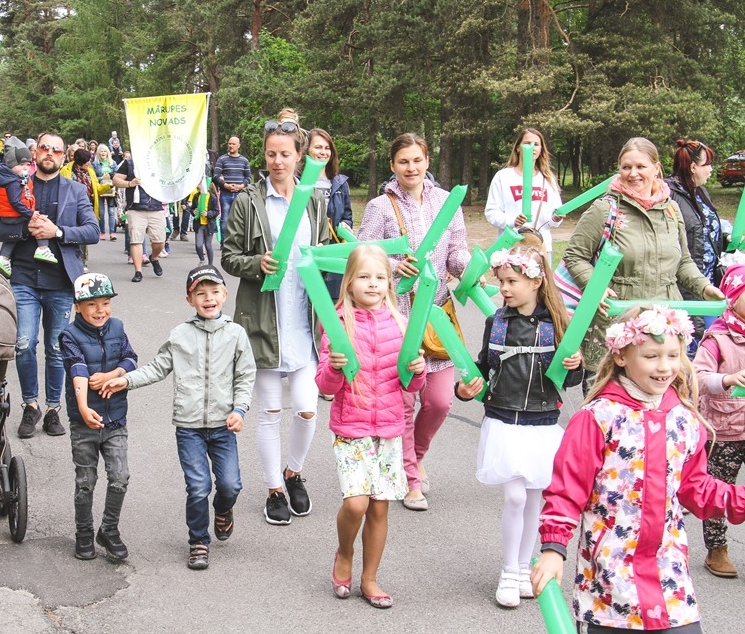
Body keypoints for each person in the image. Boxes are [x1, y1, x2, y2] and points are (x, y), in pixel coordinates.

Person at [531, 305, 745, 633]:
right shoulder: (597, 418)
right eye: (651, 356)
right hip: (609, 587)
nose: (664, 367)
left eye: (673, 356)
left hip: (670, 583)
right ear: (620, 357)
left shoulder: (684, 420)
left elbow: (696, 489)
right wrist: (553, 548)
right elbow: (566, 490)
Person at [101, 265, 256, 570]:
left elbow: (246, 375)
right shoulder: (180, 335)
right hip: (189, 427)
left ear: (225, 295)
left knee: (230, 485)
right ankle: (198, 541)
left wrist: (240, 409)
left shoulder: (236, 334)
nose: (208, 298)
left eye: (214, 292)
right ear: (190, 300)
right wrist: (126, 380)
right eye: (200, 293)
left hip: (224, 425)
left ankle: (223, 510)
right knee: (198, 486)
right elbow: (157, 367)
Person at [455, 244, 582, 608]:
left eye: (512, 281)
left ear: (536, 281)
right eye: (501, 281)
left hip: (542, 423)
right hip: (504, 420)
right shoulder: (496, 322)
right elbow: (483, 367)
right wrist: (465, 389)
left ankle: (526, 567)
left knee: (535, 499)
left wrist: (573, 365)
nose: (504, 289)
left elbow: (571, 381)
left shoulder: (558, 325)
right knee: (514, 495)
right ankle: (509, 570)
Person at [221, 111, 331, 525]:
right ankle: (273, 488)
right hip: (262, 323)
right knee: (267, 412)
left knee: (306, 409)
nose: (278, 161)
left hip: (303, 320)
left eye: (285, 154)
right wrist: (256, 262)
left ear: (299, 155)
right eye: (270, 154)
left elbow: (320, 251)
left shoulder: (314, 201)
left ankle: (294, 471)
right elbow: (229, 257)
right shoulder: (249, 200)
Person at [356, 132, 471, 510]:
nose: (411, 167)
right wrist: (392, 265)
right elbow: (364, 257)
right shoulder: (380, 207)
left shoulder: (446, 203)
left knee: (439, 402)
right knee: (403, 402)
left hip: (437, 314)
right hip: (396, 315)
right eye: (403, 161)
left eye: (417, 160)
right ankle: (409, 478)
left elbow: (456, 252)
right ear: (393, 165)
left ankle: (416, 457)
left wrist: (473, 270)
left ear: (427, 162)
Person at [317, 246, 427, 608]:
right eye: (364, 277)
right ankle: (344, 553)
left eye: (380, 277)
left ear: (390, 283)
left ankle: (370, 578)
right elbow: (325, 388)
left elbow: (411, 386)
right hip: (352, 429)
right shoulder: (337, 322)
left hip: (390, 430)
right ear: (349, 282)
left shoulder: (400, 322)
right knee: (356, 504)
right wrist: (334, 367)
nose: (373, 284)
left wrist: (418, 371)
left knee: (379, 507)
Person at [563, 137, 723, 373]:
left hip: (665, 322)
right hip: (618, 321)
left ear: (656, 168)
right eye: (626, 167)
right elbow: (574, 255)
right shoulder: (605, 208)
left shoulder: (671, 209)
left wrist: (704, 287)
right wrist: (594, 286)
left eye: (641, 167)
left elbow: (683, 262)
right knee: (613, 403)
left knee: (662, 401)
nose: (633, 173)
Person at [0, 132, 100, 440]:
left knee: (55, 347)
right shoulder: (16, 183)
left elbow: (92, 230)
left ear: (64, 156)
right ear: (35, 152)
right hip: (23, 278)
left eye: (57, 150)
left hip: (61, 282)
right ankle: (30, 405)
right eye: (45, 148)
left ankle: (52, 409)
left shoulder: (75, 190)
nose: (50, 153)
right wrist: (25, 228)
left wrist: (57, 231)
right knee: (24, 343)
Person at [60, 272, 138, 562]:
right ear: (77, 307)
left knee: (120, 476)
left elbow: (130, 358)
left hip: (116, 418)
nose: (100, 311)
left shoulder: (117, 327)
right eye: (92, 305)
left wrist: (113, 374)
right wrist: (82, 406)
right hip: (85, 422)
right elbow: (77, 369)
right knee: (85, 480)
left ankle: (109, 529)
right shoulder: (69, 334)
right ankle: (83, 533)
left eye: (105, 303)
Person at [694, 260, 745, 579]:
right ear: (733, 296)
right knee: (718, 491)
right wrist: (725, 380)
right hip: (723, 429)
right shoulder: (717, 338)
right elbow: (696, 376)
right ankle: (716, 548)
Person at [666, 139, 722, 354]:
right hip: (684, 285)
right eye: (708, 164)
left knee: (707, 345)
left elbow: (704, 231)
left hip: (707, 283)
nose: (711, 170)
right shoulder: (669, 194)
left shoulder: (700, 192)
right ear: (693, 167)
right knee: (687, 347)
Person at [484, 128, 565, 262]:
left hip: (540, 247)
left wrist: (556, 218)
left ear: (541, 150)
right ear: (518, 148)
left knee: (541, 283)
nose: (532, 147)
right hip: (511, 247)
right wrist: (513, 221)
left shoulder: (547, 179)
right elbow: (491, 213)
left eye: (536, 144)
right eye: (527, 143)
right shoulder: (503, 177)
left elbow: (552, 217)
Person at [0, 140, 59, 278]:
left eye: (28, 165)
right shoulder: (13, 182)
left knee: (12, 239)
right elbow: (16, 202)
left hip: (9, 215)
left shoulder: (10, 179)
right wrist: (30, 213)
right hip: (14, 215)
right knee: (39, 221)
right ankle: (43, 248)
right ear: (11, 165)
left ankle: (4, 258)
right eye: (21, 165)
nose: (25, 168)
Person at [307, 128, 353, 299]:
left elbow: (347, 215)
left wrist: (346, 225)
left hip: (334, 253)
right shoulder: (298, 182)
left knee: (333, 303)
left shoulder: (340, 183)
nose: (323, 152)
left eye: (327, 148)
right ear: (306, 150)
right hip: (309, 251)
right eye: (318, 147)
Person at [112, 151, 167, 282]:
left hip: (156, 207)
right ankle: (138, 271)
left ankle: (154, 257)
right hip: (135, 208)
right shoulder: (130, 163)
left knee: (160, 241)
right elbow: (116, 180)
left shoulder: (160, 162)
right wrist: (129, 183)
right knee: (136, 240)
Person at [214, 136, 252, 242]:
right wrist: (225, 185)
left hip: (240, 194)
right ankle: (224, 243)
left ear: (238, 146)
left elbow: (248, 177)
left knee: (239, 219)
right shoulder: (222, 159)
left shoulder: (244, 161)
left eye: (233, 144)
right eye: (229, 144)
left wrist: (241, 186)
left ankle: (237, 242)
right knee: (225, 219)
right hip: (226, 194)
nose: (231, 146)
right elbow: (215, 176)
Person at [188, 179, 220, 265]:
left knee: (208, 245)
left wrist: (208, 214)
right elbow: (192, 208)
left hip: (209, 225)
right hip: (199, 225)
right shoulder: (196, 196)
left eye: (199, 184)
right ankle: (202, 259)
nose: (198, 186)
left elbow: (216, 211)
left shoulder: (212, 197)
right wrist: (193, 211)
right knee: (198, 245)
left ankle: (211, 264)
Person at [92, 144, 118, 240]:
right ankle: (102, 232)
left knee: (111, 211)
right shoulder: (95, 164)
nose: (103, 153)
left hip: (111, 189)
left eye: (104, 151)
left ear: (108, 152)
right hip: (100, 188)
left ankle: (112, 233)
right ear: (98, 153)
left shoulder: (113, 163)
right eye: (101, 151)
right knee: (101, 212)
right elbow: (93, 177)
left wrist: (110, 176)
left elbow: (117, 175)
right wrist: (101, 178)